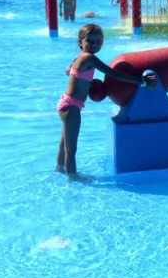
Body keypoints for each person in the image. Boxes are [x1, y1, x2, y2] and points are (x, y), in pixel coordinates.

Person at [56, 24, 158, 180]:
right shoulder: (89, 58)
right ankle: (72, 176)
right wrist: (141, 81)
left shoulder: (80, 57)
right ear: (80, 42)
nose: (95, 44)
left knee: (64, 143)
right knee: (71, 147)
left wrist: (85, 81)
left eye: (98, 41)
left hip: (68, 104)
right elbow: (113, 74)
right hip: (72, 107)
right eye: (90, 41)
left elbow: (68, 71)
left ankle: (60, 168)